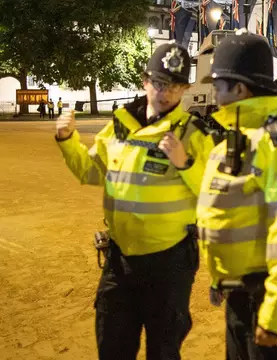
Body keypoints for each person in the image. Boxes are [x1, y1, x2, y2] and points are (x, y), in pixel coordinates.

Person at [55, 42, 214, 360]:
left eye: (174, 86)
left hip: (169, 263)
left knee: (163, 351)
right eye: (159, 83)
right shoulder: (119, 126)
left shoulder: (193, 134)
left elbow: (214, 193)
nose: (165, 93)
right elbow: (90, 171)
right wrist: (66, 140)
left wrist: (186, 164)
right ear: (145, 81)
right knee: (112, 347)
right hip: (120, 260)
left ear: (184, 89)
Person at [196, 31, 277, 359]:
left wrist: (276, 314)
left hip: (271, 297)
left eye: (218, 84)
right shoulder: (241, 136)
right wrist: (221, 279)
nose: (213, 92)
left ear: (239, 88)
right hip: (243, 295)